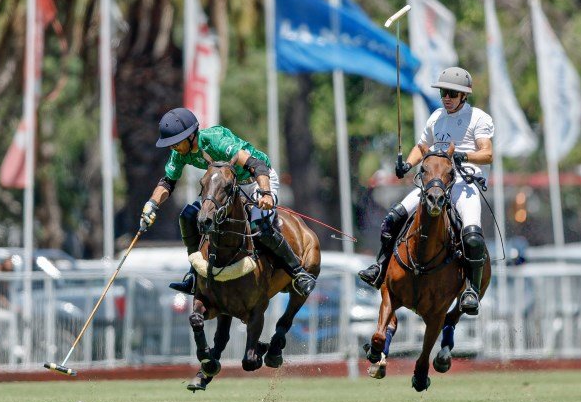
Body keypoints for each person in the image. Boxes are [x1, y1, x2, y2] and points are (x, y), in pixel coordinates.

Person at [139, 107, 317, 297]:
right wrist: (151, 205)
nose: (172, 148)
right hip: (229, 186)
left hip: (257, 179)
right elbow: (168, 182)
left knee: (260, 226)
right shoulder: (180, 153)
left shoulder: (216, 141)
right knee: (189, 216)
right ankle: (194, 275)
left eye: (175, 143)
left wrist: (265, 194)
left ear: (191, 136)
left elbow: (257, 165)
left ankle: (299, 273)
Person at [358, 67, 494, 315]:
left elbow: (487, 153)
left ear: (464, 96)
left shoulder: (479, 118)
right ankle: (380, 267)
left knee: (473, 237)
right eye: (444, 92)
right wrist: (407, 165)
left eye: (452, 93)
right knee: (392, 219)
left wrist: (464, 155)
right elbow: (421, 148)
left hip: (464, 184)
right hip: (433, 183)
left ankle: (471, 290)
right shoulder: (436, 117)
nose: (446, 97)